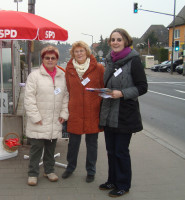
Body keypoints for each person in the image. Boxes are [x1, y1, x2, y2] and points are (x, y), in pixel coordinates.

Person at [99, 28, 148, 197]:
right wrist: (105, 90)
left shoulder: (133, 61)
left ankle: (123, 184)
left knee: (121, 151)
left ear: (126, 41)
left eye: (119, 39)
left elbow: (143, 87)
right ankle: (112, 180)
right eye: (112, 39)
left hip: (125, 113)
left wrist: (122, 93)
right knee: (111, 150)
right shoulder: (109, 60)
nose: (115, 42)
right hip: (109, 111)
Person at [24, 45, 69, 186]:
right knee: (36, 149)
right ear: (43, 59)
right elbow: (29, 99)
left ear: (57, 60)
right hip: (39, 121)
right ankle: (32, 173)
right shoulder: (34, 76)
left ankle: (49, 170)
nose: (50, 60)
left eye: (53, 58)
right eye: (47, 58)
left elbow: (66, 97)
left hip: (54, 120)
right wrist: (35, 117)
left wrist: (64, 113)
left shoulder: (62, 77)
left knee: (51, 148)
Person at [62, 41, 105, 183]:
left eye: (81, 51)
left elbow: (103, 88)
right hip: (75, 111)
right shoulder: (69, 69)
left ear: (87, 52)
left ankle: (91, 170)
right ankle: (70, 167)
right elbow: (68, 89)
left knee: (92, 143)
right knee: (73, 143)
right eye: (76, 51)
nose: (79, 53)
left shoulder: (98, 68)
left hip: (92, 111)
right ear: (73, 54)